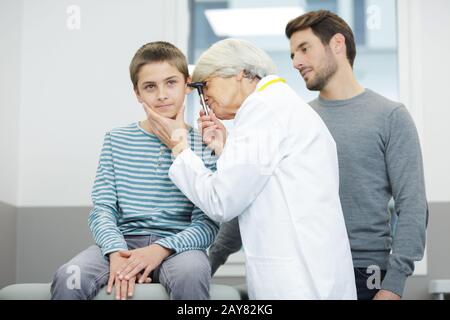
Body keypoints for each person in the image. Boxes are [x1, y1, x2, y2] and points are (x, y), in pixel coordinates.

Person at [209, 10, 428, 300]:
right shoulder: (292, 117)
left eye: (304, 48)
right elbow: (247, 196)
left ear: (337, 44)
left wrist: (394, 283)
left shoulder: (390, 117)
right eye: (292, 54)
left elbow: (412, 205)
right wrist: (208, 263)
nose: (296, 62)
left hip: (364, 271)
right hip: (303, 271)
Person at [143, 38, 356, 299]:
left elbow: (222, 202)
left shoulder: (263, 109)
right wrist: (225, 148)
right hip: (316, 274)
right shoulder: (279, 105)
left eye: (205, 85)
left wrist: (179, 147)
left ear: (241, 75)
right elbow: (268, 176)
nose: (204, 97)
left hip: (299, 283)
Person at [50, 41, 219, 300]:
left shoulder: (205, 143)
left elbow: (206, 223)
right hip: (123, 241)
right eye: (150, 87)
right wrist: (116, 251)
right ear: (137, 93)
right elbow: (103, 209)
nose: (161, 94)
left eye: (171, 83)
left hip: (179, 249)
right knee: (69, 276)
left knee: (193, 272)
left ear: (187, 85)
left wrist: (161, 249)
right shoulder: (115, 139)